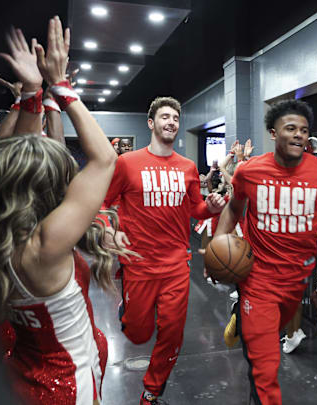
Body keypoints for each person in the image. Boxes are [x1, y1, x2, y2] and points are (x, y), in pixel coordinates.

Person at [0, 17, 130, 404]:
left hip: (23, 375)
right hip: (68, 387)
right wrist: (62, 86)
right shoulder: (45, 245)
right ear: (49, 187)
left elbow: (11, 163)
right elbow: (105, 160)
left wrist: (33, 93)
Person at [213, 99, 317, 405]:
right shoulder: (249, 171)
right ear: (273, 132)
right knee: (265, 367)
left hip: (295, 283)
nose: (299, 135)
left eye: (304, 130)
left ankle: (242, 319)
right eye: (290, 128)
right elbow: (233, 210)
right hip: (257, 281)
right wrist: (216, 250)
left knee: (270, 345)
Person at [101, 96, 226, 405]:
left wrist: (209, 207)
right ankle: (128, 313)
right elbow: (104, 203)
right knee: (138, 332)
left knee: (172, 334)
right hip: (138, 264)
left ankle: (151, 392)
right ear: (151, 123)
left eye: (175, 118)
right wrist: (108, 228)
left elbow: (195, 208)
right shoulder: (127, 163)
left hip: (175, 266)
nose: (171, 122)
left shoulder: (186, 168)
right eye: (165, 117)